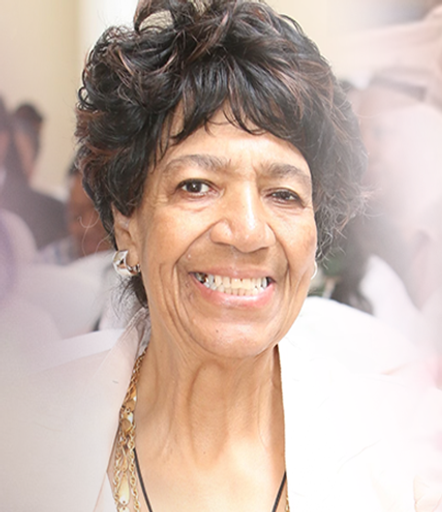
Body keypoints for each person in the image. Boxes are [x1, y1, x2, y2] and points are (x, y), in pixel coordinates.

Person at [13, 1, 442, 511]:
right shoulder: (22, 441)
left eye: (283, 194)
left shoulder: (406, 462)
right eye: (197, 185)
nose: (247, 232)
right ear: (128, 221)